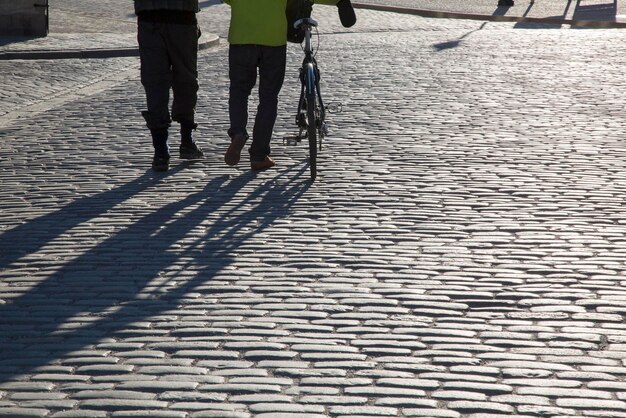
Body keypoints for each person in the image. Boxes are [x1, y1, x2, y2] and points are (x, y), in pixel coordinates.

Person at [223, 0, 355, 171]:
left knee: (239, 91)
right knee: (268, 98)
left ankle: (238, 132)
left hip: (241, 38)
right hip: (273, 40)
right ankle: (258, 155)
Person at [135, 0, 204, 172]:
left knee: (155, 82)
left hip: (151, 16)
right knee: (185, 80)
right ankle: (184, 142)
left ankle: (161, 152)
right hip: (179, 15)